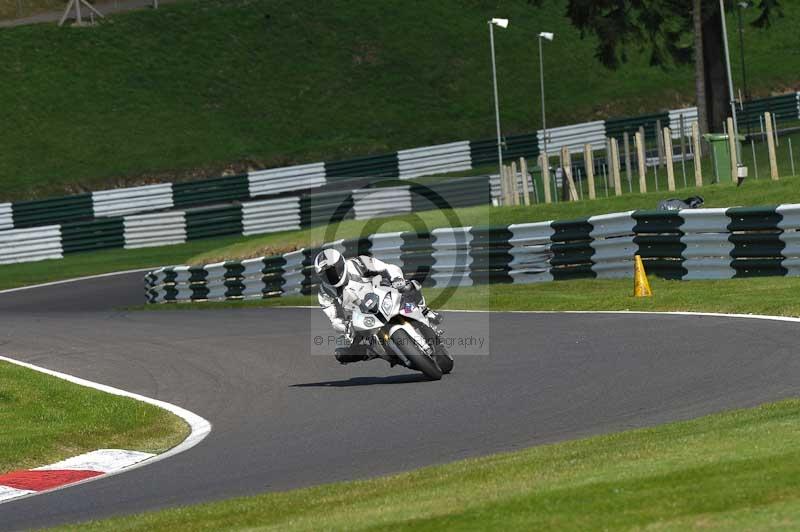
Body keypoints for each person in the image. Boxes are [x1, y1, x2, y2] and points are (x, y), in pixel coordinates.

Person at [313, 249, 442, 364]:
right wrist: (345, 327)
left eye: (333, 271)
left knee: (408, 286)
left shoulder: (359, 263)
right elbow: (335, 319)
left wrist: (396, 279)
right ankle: (379, 353)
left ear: (341, 263)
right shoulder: (325, 293)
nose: (331, 276)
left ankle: (425, 311)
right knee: (342, 354)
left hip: (381, 294)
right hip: (360, 317)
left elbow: (388, 268)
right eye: (326, 274)